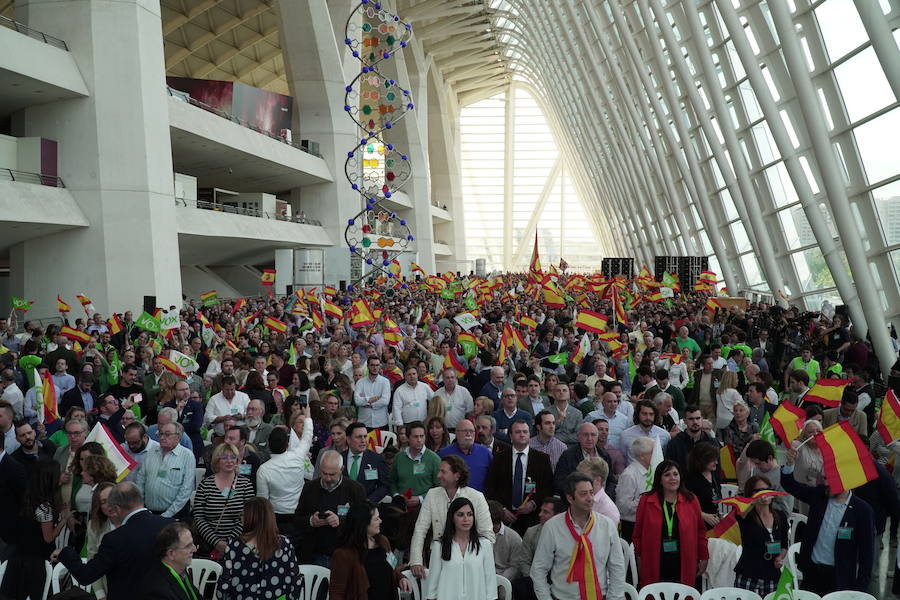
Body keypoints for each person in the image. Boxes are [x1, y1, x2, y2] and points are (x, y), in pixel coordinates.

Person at [53, 482, 172, 600]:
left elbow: (86, 575)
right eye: (104, 502)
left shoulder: (114, 539)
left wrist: (65, 552)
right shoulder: (169, 526)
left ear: (117, 508)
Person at [782, 445, 875, 594]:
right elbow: (791, 485)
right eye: (824, 478)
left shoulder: (862, 511)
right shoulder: (819, 495)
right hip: (811, 573)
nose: (825, 483)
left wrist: (860, 590)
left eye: (829, 479)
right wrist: (789, 464)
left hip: (839, 578)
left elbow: (867, 555)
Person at [530, 472, 625, 600]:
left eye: (591, 492)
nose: (590, 498)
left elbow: (617, 568)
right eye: (583, 494)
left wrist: (613, 598)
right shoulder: (552, 527)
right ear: (570, 498)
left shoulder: (606, 525)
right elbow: (538, 570)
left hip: (599, 596)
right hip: (563, 597)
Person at [409, 455, 494, 578]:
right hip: (439, 558)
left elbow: (488, 536)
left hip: (470, 562)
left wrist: (471, 557)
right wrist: (416, 561)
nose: (438, 475)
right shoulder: (432, 495)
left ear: (457, 475)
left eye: (443, 472)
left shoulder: (477, 497)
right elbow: (420, 530)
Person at [633, 460, 708, 587]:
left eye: (675, 474)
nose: (672, 478)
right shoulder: (646, 501)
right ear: (660, 480)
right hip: (654, 559)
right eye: (667, 475)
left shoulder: (691, 499)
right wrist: (639, 558)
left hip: (684, 559)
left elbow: (701, 531)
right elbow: (637, 533)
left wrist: (704, 556)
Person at [0, 459, 68, 600]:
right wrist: (63, 521)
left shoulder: (29, 499)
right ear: (50, 478)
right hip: (36, 562)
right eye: (59, 473)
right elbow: (48, 538)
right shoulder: (45, 507)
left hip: (20, 558)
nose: (62, 475)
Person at [217, 497, 300, 600]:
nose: (240, 518)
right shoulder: (285, 544)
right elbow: (295, 581)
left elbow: (224, 587)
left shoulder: (234, 547)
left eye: (243, 515)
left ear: (252, 517)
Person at [293, 449, 366, 566]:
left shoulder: (355, 490)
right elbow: (297, 520)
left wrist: (340, 521)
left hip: (344, 553)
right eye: (324, 473)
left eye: (332, 474)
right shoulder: (309, 487)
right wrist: (311, 521)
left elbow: (363, 524)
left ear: (341, 469)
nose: (327, 478)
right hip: (314, 553)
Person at [330, 500, 411, 600]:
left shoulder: (383, 541)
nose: (381, 521)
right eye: (376, 519)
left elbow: (392, 567)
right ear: (364, 524)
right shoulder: (343, 554)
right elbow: (337, 593)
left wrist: (400, 578)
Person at [484, 419, 553, 535]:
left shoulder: (542, 459)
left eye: (525, 432)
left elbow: (548, 487)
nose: (522, 435)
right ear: (510, 435)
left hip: (532, 518)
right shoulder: (498, 458)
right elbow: (491, 488)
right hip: (505, 519)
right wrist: (502, 510)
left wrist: (533, 504)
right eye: (518, 432)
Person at [423, 496, 497, 600]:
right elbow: (432, 586)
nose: (466, 519)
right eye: (460, 515)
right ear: (452, 518)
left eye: (469, 514)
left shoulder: (484, 545)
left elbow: (490, 584)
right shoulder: (439, 546)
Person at [255, 406, 314, 533]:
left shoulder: (263, 470)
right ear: (287, 444)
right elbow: (307, 437)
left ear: (269, 445)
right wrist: (308, 417)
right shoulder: (298, 456)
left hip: (276, 517)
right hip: (297, 513)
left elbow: (263, 501)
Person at [192, 442, 254, 556]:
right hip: (208, 545)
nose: (229, 461)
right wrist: (216, 542)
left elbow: (248, 516)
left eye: (233, 457)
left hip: (239, 545)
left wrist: (229, 542)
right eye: (224, 457)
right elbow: (199, 516)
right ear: (217, 461)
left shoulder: (246, 485)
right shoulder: (205, 485)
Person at [732, 475, 789, 596]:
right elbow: (740, 515)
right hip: (749, 573)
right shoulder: (747, 516)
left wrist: (780, 557)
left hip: (772, 574)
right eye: (759, 491)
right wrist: (753, 501)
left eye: (768, 489)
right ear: (750, 493)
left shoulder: (780, 516)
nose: (764, 494)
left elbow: (784, 545)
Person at [136, 420, 195, 519]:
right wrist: (142, 507)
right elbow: (141, 479)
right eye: (161, 433)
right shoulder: (151, 452)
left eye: (167, 434)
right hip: (149, 512)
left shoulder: (187, 455)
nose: (162, 437)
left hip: (176, 514)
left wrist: (167, 515)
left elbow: (186, 489)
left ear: (178, 437)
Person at [511, 496, 566, 600]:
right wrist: (537, 582)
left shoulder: (569, 536)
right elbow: (524, 561)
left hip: (560, 580)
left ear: (557, 516)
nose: (540, 514)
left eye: (545, 512)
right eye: (541, 510)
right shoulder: (531, 532)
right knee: (519, 586)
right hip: (535, 578)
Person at [137, 522, 202, 600]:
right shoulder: (157, 591)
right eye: (188, 546)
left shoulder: (181, 571)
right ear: (171, 553)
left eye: (193, 544)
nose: (194, 549)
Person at [553, 422, 614, 498]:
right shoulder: (568, 456)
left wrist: (606, 496)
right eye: (586, 435)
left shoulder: (605, 455)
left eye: (593, 435)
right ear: (578, 436)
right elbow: (559, 482)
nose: (589, 439)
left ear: (597, 437)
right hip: (577, 500)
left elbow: (611, 481)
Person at [389, 420, 440, 507]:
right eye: (415, 437)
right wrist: (396, 496)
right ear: (408, 438)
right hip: (401, 507)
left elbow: (439, 487)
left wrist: (421, 498)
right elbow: (392, 481)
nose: (419, 440)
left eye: (422, 436)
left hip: (426, 506)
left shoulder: (434, 459)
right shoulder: (399, 457)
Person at [616, 436, 654, 542]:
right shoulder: (629, 475)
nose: (656, 455)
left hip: (648, 523)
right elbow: (622, 506)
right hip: (632, 526)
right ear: (642, 456)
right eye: (652, 452)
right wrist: (646, 500)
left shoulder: (652, 471)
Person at [438, 418, 493, 491]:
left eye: (471, 431)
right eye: (465, 431)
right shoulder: (443, 454)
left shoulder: (485, 453)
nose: (468, 434)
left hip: (479, 499)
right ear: (456, 433)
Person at [342, 421, 390, 503]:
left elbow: (384, 485)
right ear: (348, 439)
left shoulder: (376, 459)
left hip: (368, 507)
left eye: (365, 436)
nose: (363, 440)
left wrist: (370, 501)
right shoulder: (340, 458)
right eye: (358, 437)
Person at [86, 481, 117, 600]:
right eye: (103, 502)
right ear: (99, 506)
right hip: (108, 588)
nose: (109, 504)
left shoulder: (133, 522)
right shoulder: (94, 526)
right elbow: (93, 560)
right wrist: (100, 594)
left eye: (112, 498)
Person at [684, 442, 722, 529]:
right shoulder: (690, 480)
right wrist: (702, 515)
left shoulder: (714, 474)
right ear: (701, 460)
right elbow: (685, 506)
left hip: (714, 522)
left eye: (716, 459)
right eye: (712, 460)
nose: (716, 462)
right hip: (697, 524)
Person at [204, 376, 250, 440]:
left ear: (235, 388)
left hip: (241, 436)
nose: (229, 392)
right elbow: (207, 417)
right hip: (220, 436)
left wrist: (241, 416)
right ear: (222, 388)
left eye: (232, 389)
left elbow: (251, 413)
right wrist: (222, 418)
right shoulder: (214, 399)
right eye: (227, 390)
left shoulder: (243, 397)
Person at [577, 457, 619, 524]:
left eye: (584, 478)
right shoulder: (579, 499)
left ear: (597, 480)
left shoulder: (608, 510)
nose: (579, 481)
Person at [355, 356, 392, 430]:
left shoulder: (385, 382)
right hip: (364, 423)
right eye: (372, 365)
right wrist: (372, 399)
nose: (375, 368)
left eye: (377, 365)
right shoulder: (360, 382)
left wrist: (368, 403)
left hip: (381, 422)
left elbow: (385, 401)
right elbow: (357, 401)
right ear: (368, 366)